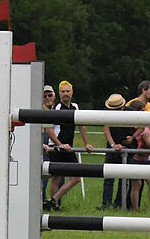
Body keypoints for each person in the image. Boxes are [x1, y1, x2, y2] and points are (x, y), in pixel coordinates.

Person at [44, 80, 94, 210]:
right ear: (59, 94)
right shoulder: (56, 108)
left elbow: (81, 126)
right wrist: (60, 145)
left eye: (67, 91)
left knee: (76, 178)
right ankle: (54, 205)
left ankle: (53, 200)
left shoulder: (75, 107)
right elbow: (49, 129)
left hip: (68, 148)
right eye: (63, 91)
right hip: (57, 147)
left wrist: (87, 143)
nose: (65, 94)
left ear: (72, 92)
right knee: (56, 178)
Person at [99, 94, 136, 210]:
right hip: (112, 147)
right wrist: (113, 145)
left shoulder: (131, 112)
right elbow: (106, 129)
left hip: (128, 147)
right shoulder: (107, 112)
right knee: (108, 177)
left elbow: (142, 125)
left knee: (123, 179)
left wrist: (133, 137)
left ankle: (119, 204)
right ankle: (106, 205)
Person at [128, 100, 150, 211]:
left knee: (149, 184)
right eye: (142, 111)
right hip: (136, 158)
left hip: (145, 158)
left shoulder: (139, 126)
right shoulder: (143, 129)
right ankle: (137, 209)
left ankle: (147, 208)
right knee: (138, 185)